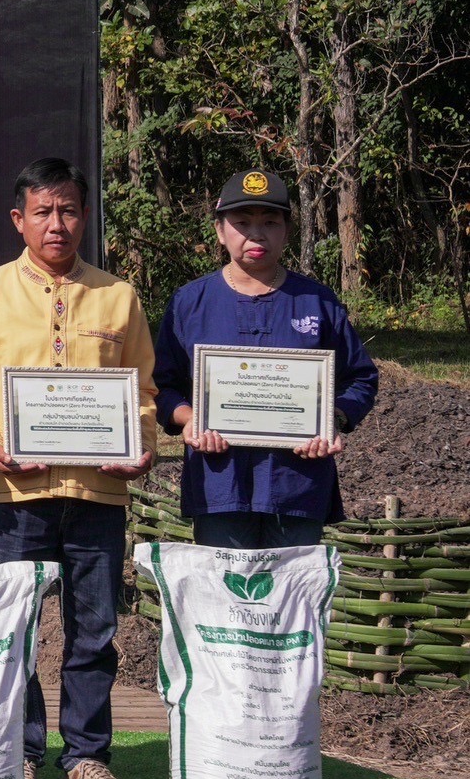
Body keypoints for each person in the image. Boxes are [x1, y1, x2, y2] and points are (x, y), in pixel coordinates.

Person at [0, 156, 156, 779]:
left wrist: (141, 445)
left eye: (68, 210)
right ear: (19, 219)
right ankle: (21, 753)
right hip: (15, 494)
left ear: (85, 216)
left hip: (98, 493)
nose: (56, 223)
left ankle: (87, 756)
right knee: (15, 629)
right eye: (43, 211)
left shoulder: (118, 297)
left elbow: (143, 392)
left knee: (94, 631)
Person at [153, 168, 378, 549]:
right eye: (242, 223)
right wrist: (188, 420)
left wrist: (333, 419)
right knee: (226, 584)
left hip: (297, 481)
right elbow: (162, 383)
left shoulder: (317, 302)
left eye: (270, 222)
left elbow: (361, 378)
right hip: (219, 481)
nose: (256, 234)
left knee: (292, 586)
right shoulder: (190, 303)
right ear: (220, 230)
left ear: (287, 231)